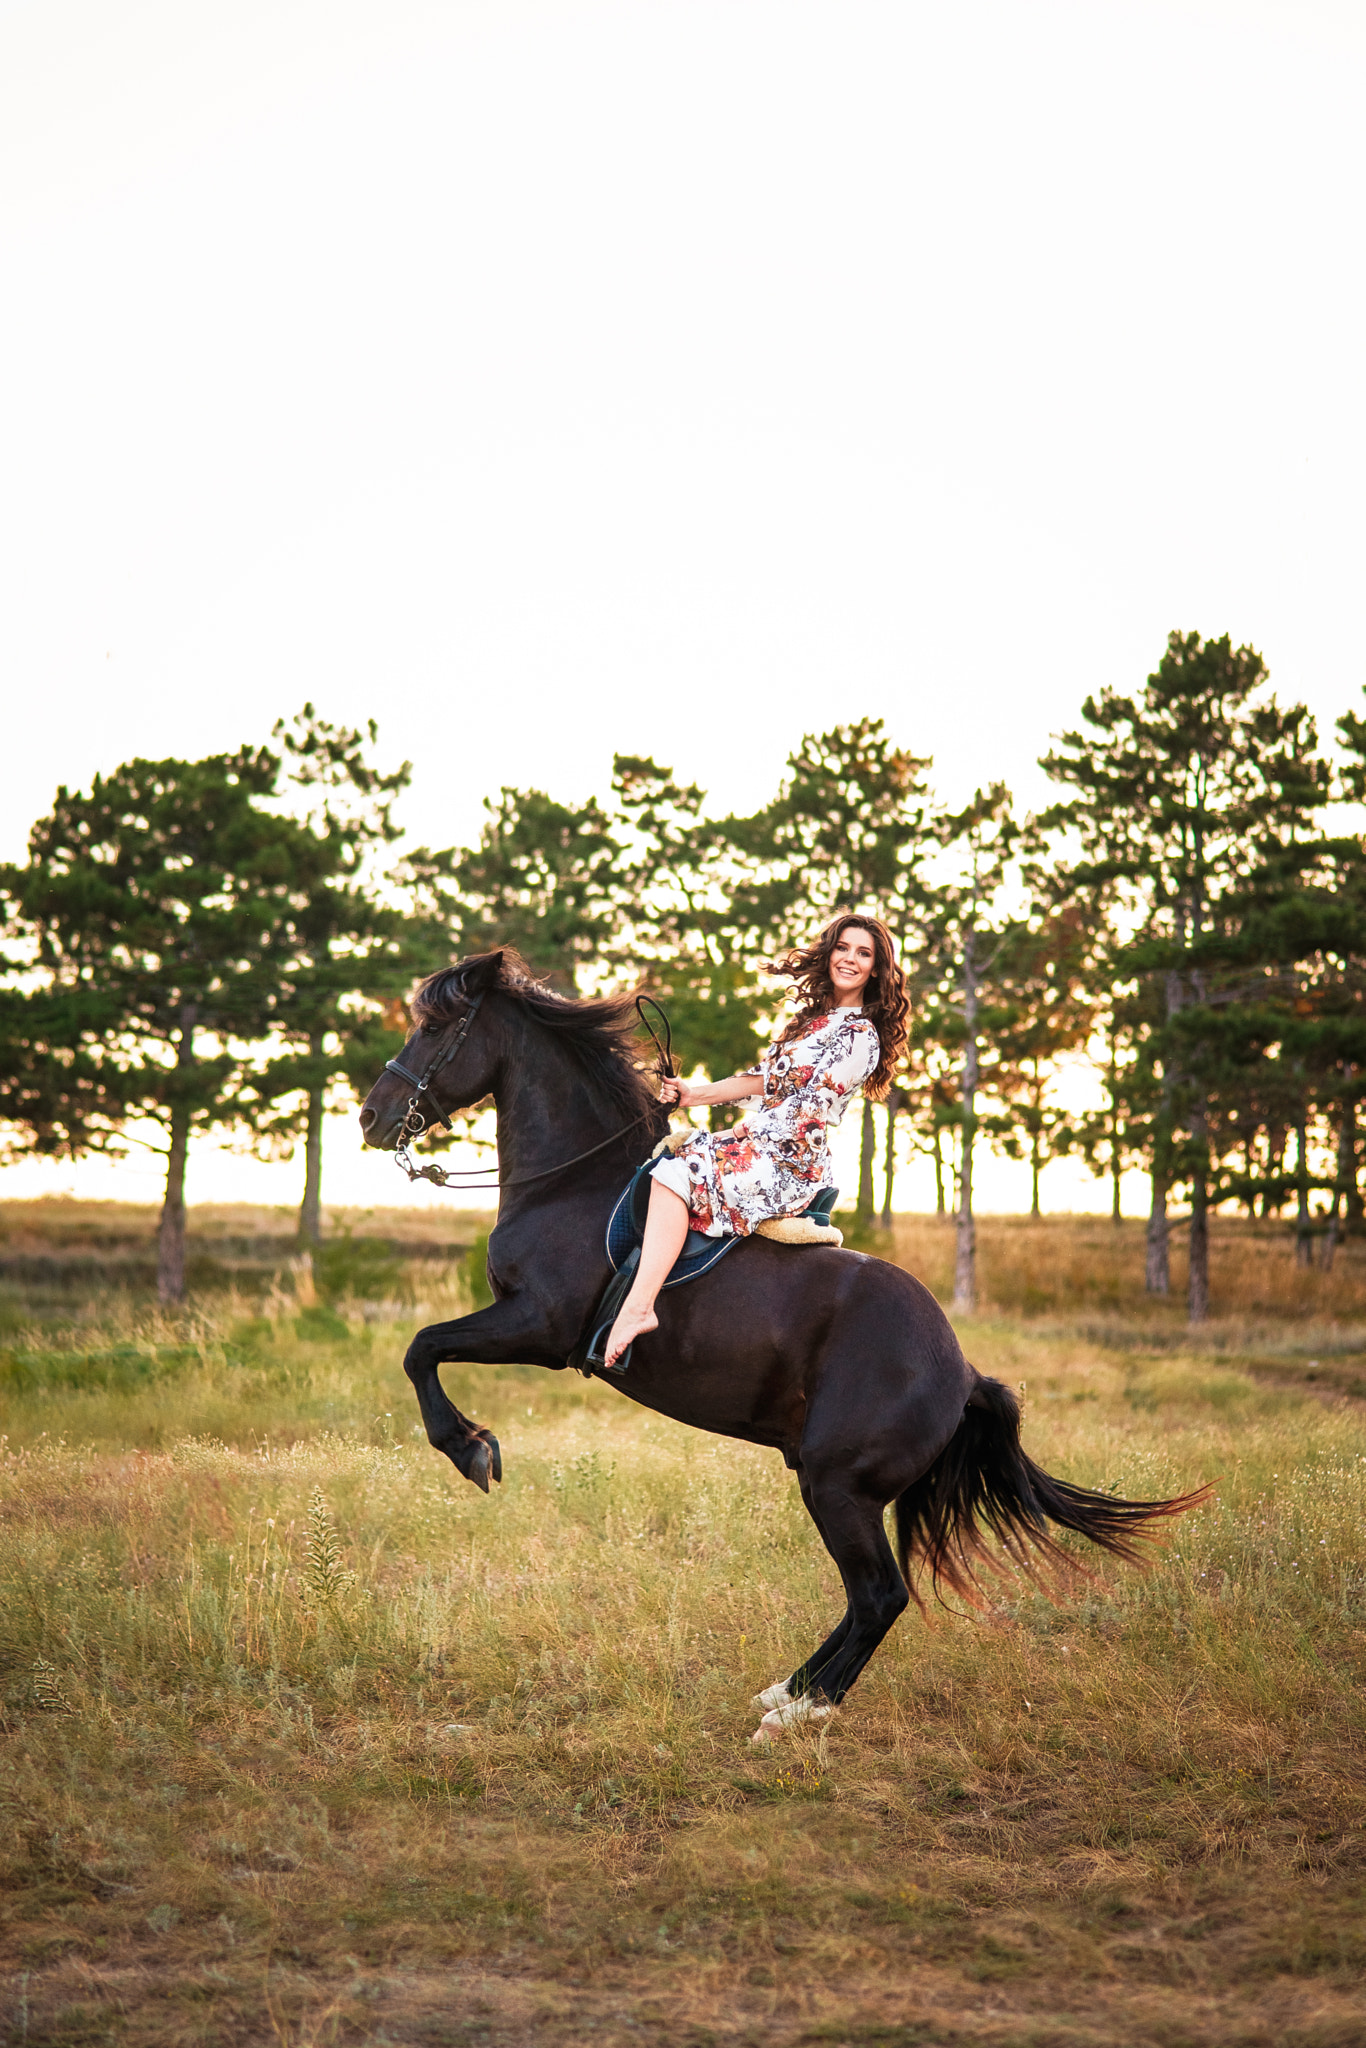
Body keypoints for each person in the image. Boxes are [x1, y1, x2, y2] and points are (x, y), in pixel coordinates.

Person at [604, 912, 910, 1367]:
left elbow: (809, 1105)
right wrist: (693, 1095)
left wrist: (734, 1132)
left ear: (876, 969)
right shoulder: (812, 1022)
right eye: (843, 948)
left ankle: (640, 1306)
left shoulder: (860, 1036)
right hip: (766, 1143)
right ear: (829, 953)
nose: (850, 959)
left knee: (676, 1171)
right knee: (674, 1155)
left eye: (863, 953)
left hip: (792, 1159)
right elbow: (762, 1080)